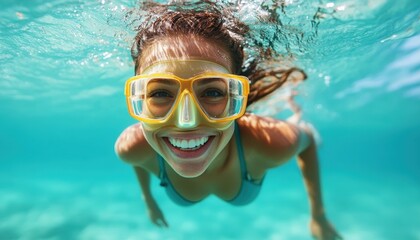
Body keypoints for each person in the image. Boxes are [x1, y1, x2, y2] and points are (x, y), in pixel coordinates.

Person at [115, 1, 341, 239]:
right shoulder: (131, 148)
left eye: (213, 92)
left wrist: (319, 216)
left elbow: (307, 145)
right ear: (138, 99)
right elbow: (139, 161)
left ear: (236, 97)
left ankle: (298, 119)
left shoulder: (272, 142)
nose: (186, 122)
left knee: (304, 131)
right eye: (160, 93)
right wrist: (148, 199)